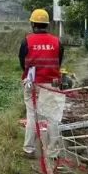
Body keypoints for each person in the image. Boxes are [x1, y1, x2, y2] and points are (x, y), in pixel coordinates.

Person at [20, 8, 64, 158]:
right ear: (47, 25)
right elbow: (59, 62)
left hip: (32, 83)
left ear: (33, 24)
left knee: (32, 115)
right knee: (52, 118)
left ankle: (28, 149)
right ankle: (53, 153)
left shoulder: (27, 41)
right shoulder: (57, 41)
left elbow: (22, 62)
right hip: (52, 84)